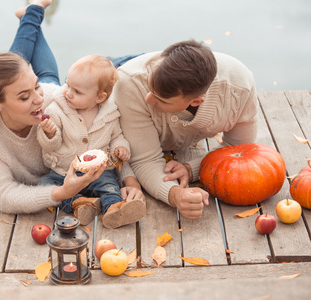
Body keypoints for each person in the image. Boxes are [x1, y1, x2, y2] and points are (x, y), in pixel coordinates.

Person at [0, 0, 144, 215]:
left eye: (35, 87)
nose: (38, 99)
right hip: (56, 178)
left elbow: (102, 133)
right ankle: (31, 12)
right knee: (22, 69)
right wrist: (62, 193)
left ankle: (31, 14)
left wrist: (130, 180)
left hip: (54, 89)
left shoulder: (56, 98)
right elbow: (4, 196)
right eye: (25, 96)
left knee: (48, 77)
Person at [110, 40, 258, 219]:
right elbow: (145, 160)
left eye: (161, 100)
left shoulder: (240, 87)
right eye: (150, 90)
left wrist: (191, 169)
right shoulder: (130, 85)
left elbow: (238, 149)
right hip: (121, 72)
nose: (148, 100)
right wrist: (175, 195)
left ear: (196, 101)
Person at [37, 54, 146, 229]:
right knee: (45, 184)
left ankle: (114, 209)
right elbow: (51, 146)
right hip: (64, 171)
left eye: (77, 91)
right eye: (68, 84)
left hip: (97, 172)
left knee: (109, 185)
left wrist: (120, 147)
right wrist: (50, 134)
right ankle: (80, 203)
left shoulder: (109, 114)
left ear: (100, 98)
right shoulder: (57, 110)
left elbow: (117, 136)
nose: (68, 93)